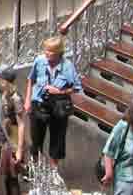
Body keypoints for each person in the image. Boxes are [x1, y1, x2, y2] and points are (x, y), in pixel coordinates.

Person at [25, 35, 82, 168]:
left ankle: (53, 171)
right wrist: (28, 100)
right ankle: (35, 169)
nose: (47, 53)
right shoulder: (39, 61)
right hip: (39, 103)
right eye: (46, 50)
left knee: (57, 141)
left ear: (58, 53)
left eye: (50, 51)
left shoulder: (67, 66)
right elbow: (30, 79)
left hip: (57, 106)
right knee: (36, 139)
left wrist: (59, 92)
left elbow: (76, 87)